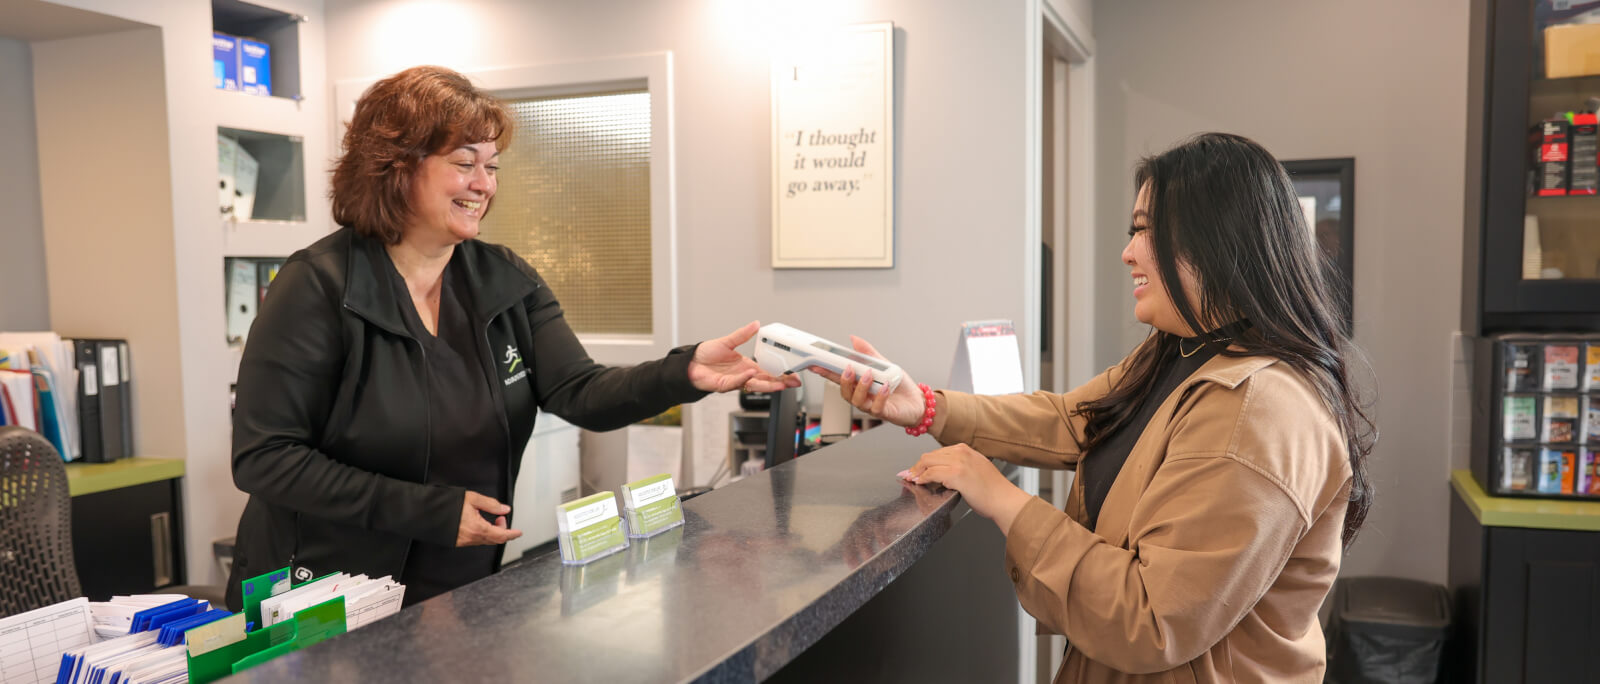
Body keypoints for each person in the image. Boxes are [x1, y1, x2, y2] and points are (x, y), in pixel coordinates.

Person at [226, 65, 797, 610]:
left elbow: (581, 391)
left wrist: (685, 372)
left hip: (457, 584)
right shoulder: (318, 286)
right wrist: (428, 510)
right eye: (463, 162)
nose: (483, 185)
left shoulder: (503, 279)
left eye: (492, 166)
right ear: (396, 166)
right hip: (324, 592)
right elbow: (265, 458)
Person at [819, 133, 1375, 682]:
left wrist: (1002, 498)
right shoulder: (1181, 351)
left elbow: (1150, 618)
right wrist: (923, 407)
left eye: (1143, 231)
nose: (1127, 251)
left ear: (1217, 240)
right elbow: (1070, 419)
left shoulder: (1259, 408)